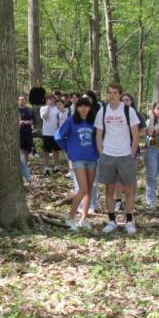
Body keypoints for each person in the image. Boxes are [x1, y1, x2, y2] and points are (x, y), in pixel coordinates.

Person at [94, 84, 140, 235]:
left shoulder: (128, 110)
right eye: (110, 93)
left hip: (125, 155)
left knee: (128, 190)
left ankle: (129, 221)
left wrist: (132, 154)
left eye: (115, 93)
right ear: (107, 95)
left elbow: (136, 135)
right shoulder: (103, 111)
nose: (112, 95)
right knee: (109, 189)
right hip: (108, 154)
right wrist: (101, 153)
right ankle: (112, 221)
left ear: (120, 95)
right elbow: (99, 134)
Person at [56, 97, 99, 230]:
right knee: (83, 188)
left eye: (86, 106)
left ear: (90, 108)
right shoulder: (71, 121)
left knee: (89, 189)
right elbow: (58, 136)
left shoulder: (94, 122)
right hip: (78, 159)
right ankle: (70, 218)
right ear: (77, 108)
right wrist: (68, 149)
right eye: (81, 106)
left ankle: (84, 219)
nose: (84, 109)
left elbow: (99, 138)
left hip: (92, 158)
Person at [40, 95, 61, 175]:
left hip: (56, 133)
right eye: (49, 99)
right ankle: (46, 168)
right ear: (46, 100)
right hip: (46, 133)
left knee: (56, 151)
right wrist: (48, 107)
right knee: (46, 152)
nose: (51, 101)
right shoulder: (43, 108)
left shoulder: (57, 108)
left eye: (53, 99)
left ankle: (56, 167)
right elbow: (44, 117)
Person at [18, 95, 35, 162]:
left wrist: (27, 122)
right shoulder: (15, 110)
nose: (21, 101)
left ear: (25, 100)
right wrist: (19, 122)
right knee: (19, 151)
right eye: (20, 99)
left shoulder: (30, 110)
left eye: (23, 99)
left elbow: (33, 121)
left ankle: (26, 166)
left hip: (27, 133)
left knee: (26, 151)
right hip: (18, 133)